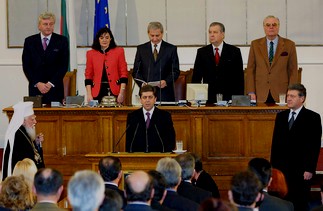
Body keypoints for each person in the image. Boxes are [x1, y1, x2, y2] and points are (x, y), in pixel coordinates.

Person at [271, 83, 322, 211]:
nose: (288, 98)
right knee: (282, 203)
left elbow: (314, 146)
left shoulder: (313, 117)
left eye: (292, 96)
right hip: (282, 170)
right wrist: (273, 169)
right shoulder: (281, 117)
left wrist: (309, 169)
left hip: (301, 171)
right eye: (288, 95)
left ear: (302, 98)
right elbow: (275, 144)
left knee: (299, 204)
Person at [246, 15, 298, 103]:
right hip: (260, 93)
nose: (271, 27)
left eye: (274, 25)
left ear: (278, 27)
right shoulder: (255, 44)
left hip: (282, 93)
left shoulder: (289, 45)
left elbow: (293, 70)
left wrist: (291, 92)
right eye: (268, 25)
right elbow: (250, 70)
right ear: (264, 27)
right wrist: (251, 92)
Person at [22, 12, 69, 104]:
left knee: (55, 117)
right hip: (36, 89)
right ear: (39, 26)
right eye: (45, 24)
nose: (48, 27)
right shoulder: (29, 41)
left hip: (55, 88)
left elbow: (63, 65)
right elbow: (26, 66)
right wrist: (37, 83)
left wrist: (50, 84)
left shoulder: (62, 41)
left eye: (51, 24)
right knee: (36, 117)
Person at [192, 22, 244, 103]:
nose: (211, 35)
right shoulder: (202, 52)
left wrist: (238, 100)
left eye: (215, 32)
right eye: (210, 32)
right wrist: (194, 100)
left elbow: (239, 78)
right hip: (209, 99)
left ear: (223, 34)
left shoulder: (234, 51)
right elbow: (196, 77)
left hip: (229, 98)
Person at [132, 21, 180, 102]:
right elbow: (136, 72)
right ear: (148, 33)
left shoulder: (171, 49)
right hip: (146, 94)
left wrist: (166, 81)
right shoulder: (141, 49)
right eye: (152, 35)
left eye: (157, 35)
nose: (154, 38)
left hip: (165, 94)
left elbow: (175, 71)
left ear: (162, 33)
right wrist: (142, 84)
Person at [1, 101, 45, 181]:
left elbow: (31, 150)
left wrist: (37, 143)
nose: (35, 122)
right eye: (32, 119)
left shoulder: (25, 131)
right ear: (23, 121)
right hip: (22, 179)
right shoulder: (17, 136)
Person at [85, 27, 128, 104]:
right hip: (97, 91)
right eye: (101, 38)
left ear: (111, 39)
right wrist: (89, 94)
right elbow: (88, 76)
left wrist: (122, 93)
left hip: (115, 91)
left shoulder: (119, 51)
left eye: (107, 37)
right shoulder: (90, 54)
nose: (104, 40)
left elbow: (123, 74)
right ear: (98, 39)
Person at [126, 85, 176, 152]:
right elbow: (129, 141)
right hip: (138, 157)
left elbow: (171, 139)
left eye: (150, 97)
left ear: (155, 99)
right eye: (144, 97)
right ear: (140, 100)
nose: (147, 100)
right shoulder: (133, 116)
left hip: (159, 156)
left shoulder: (165, 116)